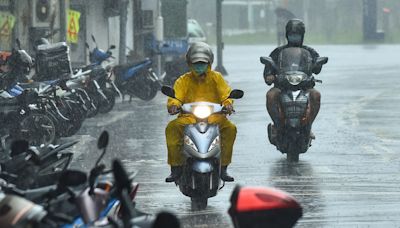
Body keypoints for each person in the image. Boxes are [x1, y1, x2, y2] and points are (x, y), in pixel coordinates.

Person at [165, 42, 237, 182]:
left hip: (215, 118)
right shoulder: (183, 80)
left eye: (202, 63)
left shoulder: (217, 78)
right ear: (190, 63)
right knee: (172, 128)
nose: (199, 66)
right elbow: (176, 96)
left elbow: (226, 94)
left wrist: (228, 104)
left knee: (230, 129)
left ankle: (224, 167)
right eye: (196, 63)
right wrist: (174, 105)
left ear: (209, 62)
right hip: (189, 118)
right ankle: (176, 168)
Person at [264, 19, 322, 140]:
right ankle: (277, 125)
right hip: (282, 86)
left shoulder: (310, 52)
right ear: (287, 35)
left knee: (316, 95)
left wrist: (317, 64)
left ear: (302, 36)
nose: (294, 37)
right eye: (291, 34)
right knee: (270, 96)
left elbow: (317, 68)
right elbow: (268, 70)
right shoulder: (278, 52)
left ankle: (308, 126)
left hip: (304, 86)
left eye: (297, 35)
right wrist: (270, 76)